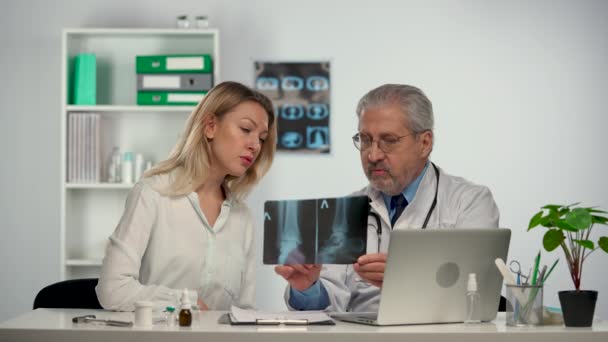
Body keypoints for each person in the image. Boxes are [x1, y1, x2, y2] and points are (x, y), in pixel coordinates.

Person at [275, 84, 499, 312]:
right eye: (365, 140)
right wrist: (308, 288)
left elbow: (476, 294)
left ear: (425, 143)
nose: (373, 155)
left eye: (389, 140)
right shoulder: (345, 212)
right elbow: (330, 301)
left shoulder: (469, 202)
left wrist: (407, 279)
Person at [96, 81, 277, 312]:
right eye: (245, 129)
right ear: (210, 126)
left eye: (262, 138)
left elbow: (244, 310)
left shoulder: (242, 216)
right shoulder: (153, 193)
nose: (255, 145)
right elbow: (113, 289)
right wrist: (185, 303)